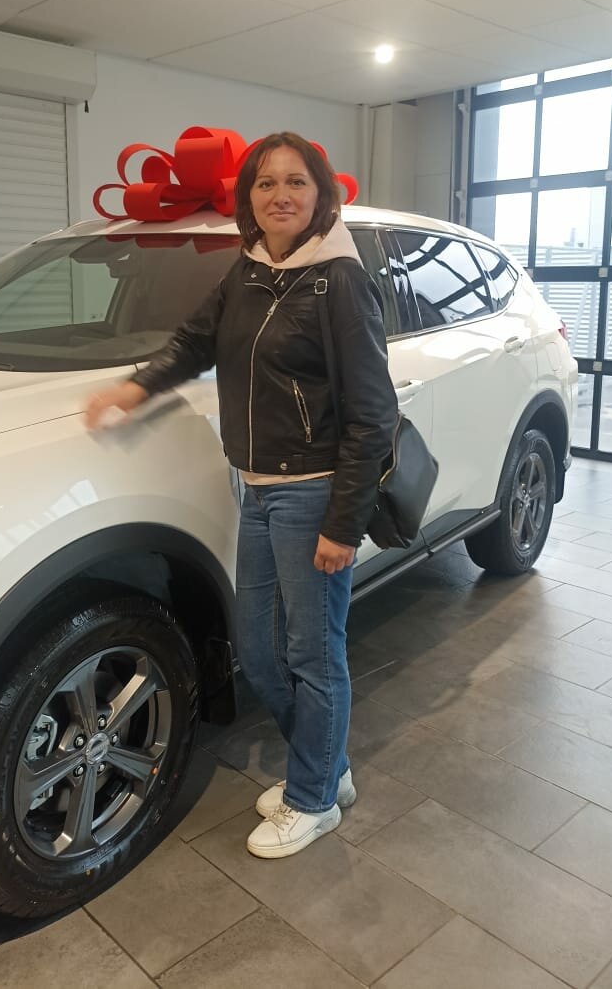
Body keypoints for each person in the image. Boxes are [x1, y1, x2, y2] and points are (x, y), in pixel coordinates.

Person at [84, 132, 398, 858]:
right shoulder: (251, 269)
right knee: (258, 651)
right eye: (265, 183)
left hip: (312, 492)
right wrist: (136, 387)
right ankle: (328, 768)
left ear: (321, 194)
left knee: (313, 653)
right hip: (256, 487)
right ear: (247, 197)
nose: (280, 195)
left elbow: (372, 413)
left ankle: (314, 798)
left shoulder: (339, 280)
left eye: (296, 182)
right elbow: (197, 340)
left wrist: (343, 522)